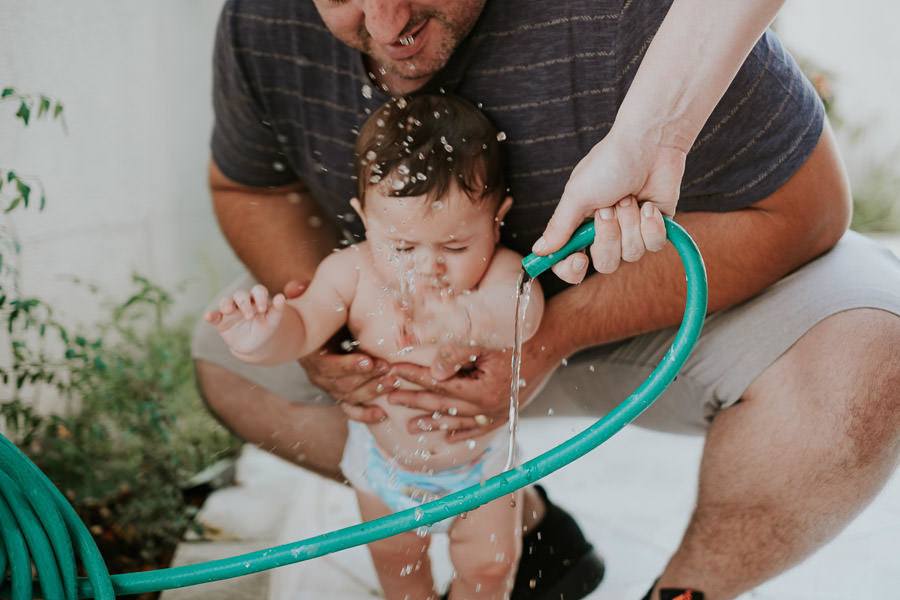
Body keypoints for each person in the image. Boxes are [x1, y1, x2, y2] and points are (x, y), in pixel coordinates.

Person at [193, 1, 900, 599]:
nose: (385, 22)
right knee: (225, 358)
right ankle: (529, 527)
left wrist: (545, 336)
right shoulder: (262, 21)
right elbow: (247, 189)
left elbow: (805, 211)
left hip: (657, 302)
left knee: (870, 365)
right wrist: (321, 332)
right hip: (416, 404)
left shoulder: (628, 14)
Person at [205, 93, 546, 600]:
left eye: (455, 246)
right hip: (384, 469)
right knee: (399, 571)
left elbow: (524, 312)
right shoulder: (353, 272)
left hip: (483, 467)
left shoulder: (498, 272)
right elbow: (303, 327)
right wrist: (261, 337)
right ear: (365, 218)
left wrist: (462, 319)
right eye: (404, 247)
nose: (427, 267)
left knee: (491, 569)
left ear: (498, 218)